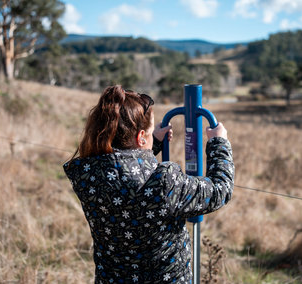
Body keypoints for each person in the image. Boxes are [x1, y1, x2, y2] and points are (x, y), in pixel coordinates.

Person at [63, 85, 234, 283]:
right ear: (140, 137)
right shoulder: (165, 183)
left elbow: (122, 175)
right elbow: (220, 190)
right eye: (149, 133)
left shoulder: (87, 175)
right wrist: (219, 143)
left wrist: (154, 143)